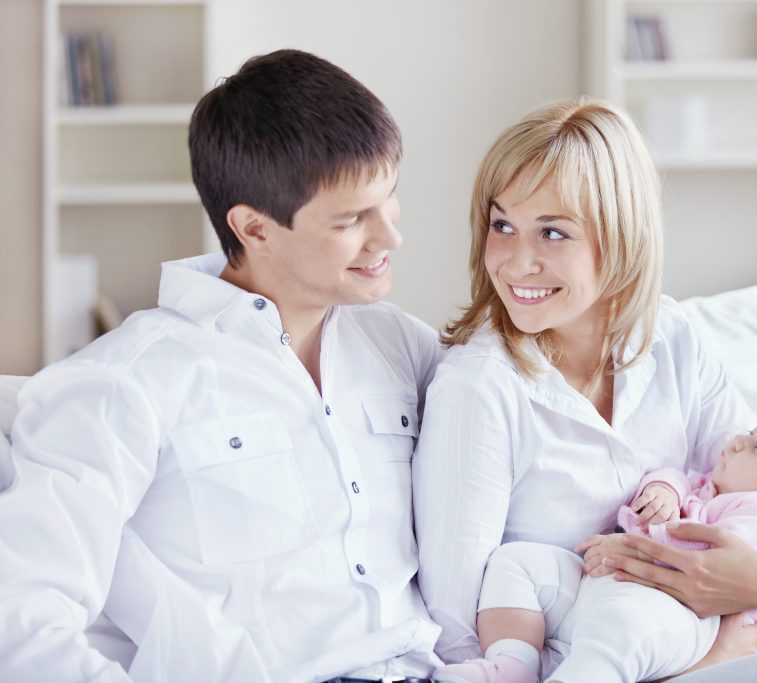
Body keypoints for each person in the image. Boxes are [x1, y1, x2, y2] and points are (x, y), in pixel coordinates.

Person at [412, 97, 757, 683]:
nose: (515, 261)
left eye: (553, 232)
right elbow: (455, 632)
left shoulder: (670, 337)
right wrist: (712, 656)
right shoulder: (477, 387)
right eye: (502, 225)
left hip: (692, 642)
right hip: (589, 668)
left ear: (623, 236)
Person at [0, 49, 443, 682]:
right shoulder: (126, 382)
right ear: (254, 228)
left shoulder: (401, 345)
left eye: (388, 199)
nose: (390, 237)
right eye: (351, 220)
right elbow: (20, 619)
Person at [435, 400, 757, 683]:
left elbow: (713, 557)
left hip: (676, 616)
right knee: (517, 563)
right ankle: (512, 664)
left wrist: (637, 545)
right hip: (605, 583)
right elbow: (680, 482)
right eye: (748, 433)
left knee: (617, 634)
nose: (738, 442)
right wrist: (663, 490)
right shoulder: (717, 487)